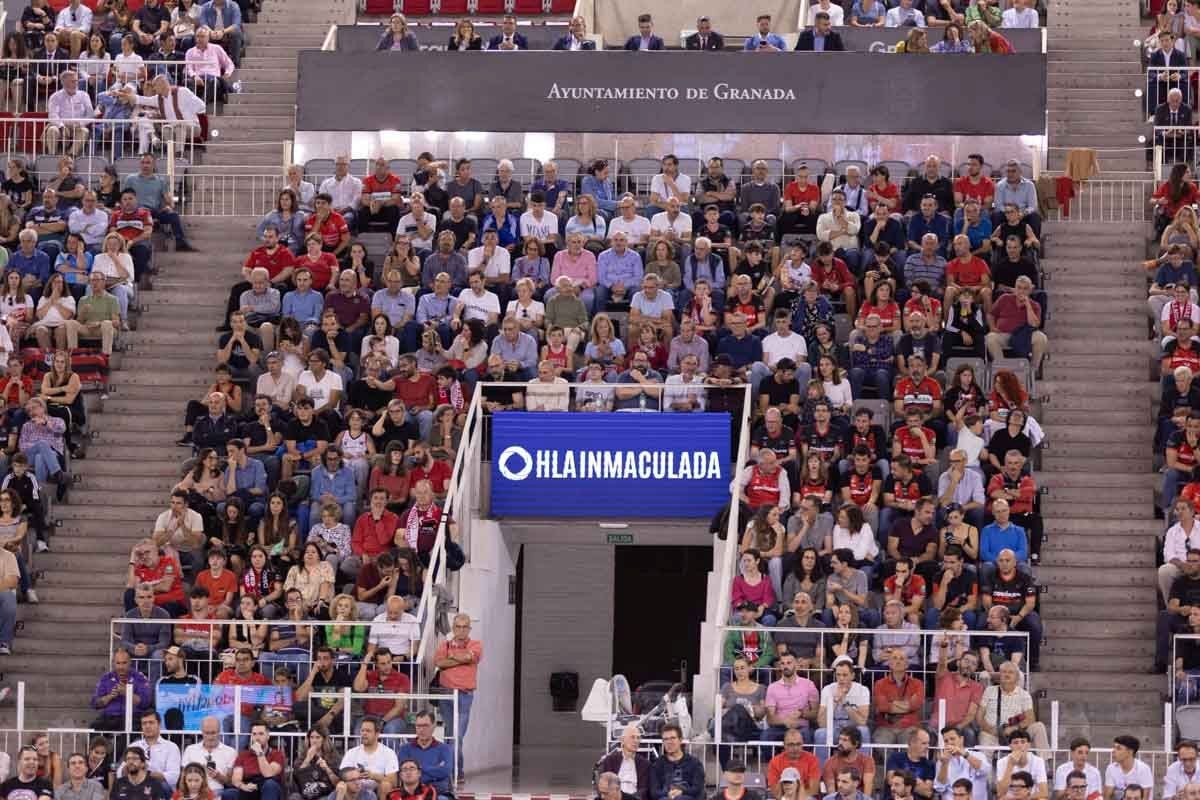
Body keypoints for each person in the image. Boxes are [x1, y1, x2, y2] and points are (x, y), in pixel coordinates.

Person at [433, 613, 480, 779]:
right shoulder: (444, 645)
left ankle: (454, 772)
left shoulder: (476, 644)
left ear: (469, 629)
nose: (461, 630)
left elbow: (471, 657)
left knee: (457, 735)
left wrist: (452, 658)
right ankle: (454, 772)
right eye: (458, 627)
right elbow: (439, 663)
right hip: (445, 694)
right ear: (453, 628)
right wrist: (462, 659)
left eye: (464, 627)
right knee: (449, 735)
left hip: (464, 695)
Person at [396, 710, 453, 798]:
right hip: (413, 793)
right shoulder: (405, 749)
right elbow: (405, 774)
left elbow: (445, 771)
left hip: (438, 792)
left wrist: (419, 768)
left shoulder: (445, 749)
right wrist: (435, 772)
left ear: (434, 726)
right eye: (418, 726)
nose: (422, 729)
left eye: (425, 726)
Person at [338, 717, 398, 799]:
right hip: (355, 788)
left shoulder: (388, 753)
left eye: (368, 731)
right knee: (341, 785)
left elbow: (394, 781)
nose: (364, 733)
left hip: (378, 790)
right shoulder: (351, 752)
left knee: (386, 785)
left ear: (377, 734)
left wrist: (373, 776)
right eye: (362, 730)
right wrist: (355, 774)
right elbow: (342, 775)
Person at [223, 724, 284, 800]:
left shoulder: (277, 754)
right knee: (229, 794)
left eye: (261, 734)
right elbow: (236, 778)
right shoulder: (243, 755)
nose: (257, 738)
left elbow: (268, 774)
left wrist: (259, 753)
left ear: (268, 736)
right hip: (249, 787)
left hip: (267, 786)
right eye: (254, 734)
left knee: (270, 785)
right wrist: (243, 786)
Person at [648, 724, 703, 800]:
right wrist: (668, 793)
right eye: (666, 739)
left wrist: (682, 791)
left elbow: (698, 788)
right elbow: (654, 792)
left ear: (680, 740)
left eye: (672, 738)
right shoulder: (657, 765)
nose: (669, 742)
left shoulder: (694, 763)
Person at [932, 728, 990, 800]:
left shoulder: (978, 755)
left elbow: (985, 770)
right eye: (946, 741)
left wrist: (964, 753)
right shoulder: (943, 761)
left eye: (952, 739)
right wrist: (945, 764)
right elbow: (939, 788)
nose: (949, 743)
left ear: (961, 739)